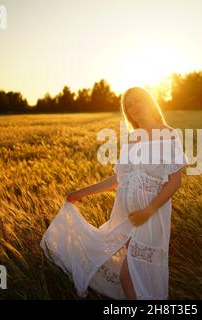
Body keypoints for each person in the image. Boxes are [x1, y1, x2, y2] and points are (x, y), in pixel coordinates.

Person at [40, 87, 187, 300]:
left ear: (149, 101)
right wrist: (81, 192)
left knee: (129, 276)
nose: (133, 107)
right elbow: (119, 179)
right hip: (127, 218)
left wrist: (148, 210)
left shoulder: (168, 133)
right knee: (133, 277)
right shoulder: (133, 138)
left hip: (151, 217)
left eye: (137, 101)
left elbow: (175, 180)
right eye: (128, 105)